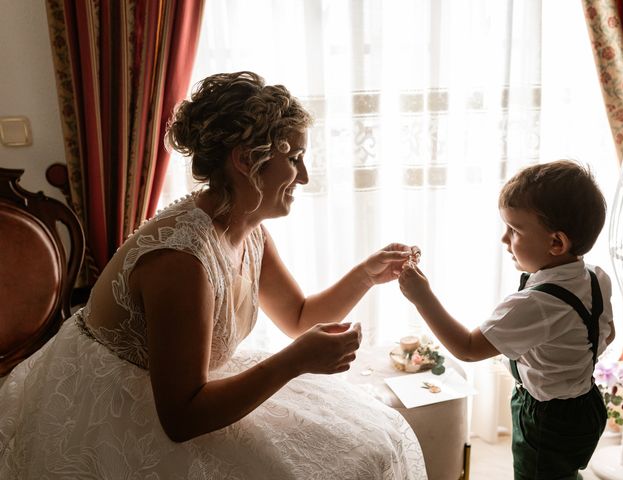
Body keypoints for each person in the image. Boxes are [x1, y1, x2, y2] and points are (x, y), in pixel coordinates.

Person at [0, 71, 426, 479]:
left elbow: (297, 316)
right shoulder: (180, 260)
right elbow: (182, 418)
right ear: (245, 160)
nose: (306, 175)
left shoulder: (247, 228)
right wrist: (296, 361)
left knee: (371, 444)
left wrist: (366, 276)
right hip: (120, 411)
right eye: (295, 157)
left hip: (190, 390)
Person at [398, 160, 615, 479]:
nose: (504, 240)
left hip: (546, 417)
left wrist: (422, 297)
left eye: (514, 230)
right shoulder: (595, 276)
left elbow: (468, 348)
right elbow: (606, 334)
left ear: (557, 243)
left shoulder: (537, 304)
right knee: (561, 469)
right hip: (586, 403)